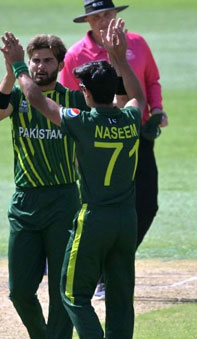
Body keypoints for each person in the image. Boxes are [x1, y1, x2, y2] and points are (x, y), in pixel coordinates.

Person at [0, 17, 145, 339]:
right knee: (119, 299)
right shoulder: (131, 118)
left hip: (93, 217)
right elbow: (136, 96)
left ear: (84, 92)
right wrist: (119, 58)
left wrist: (17, 66)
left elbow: (35, 99)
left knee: (71, 295)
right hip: (127, 220)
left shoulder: (82, 121)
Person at [0, 34, 89, 339]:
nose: (40, 66)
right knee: (19, 292)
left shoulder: (73, 100)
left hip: (63, 202)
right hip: (25, 202)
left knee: (62, 291)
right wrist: (9, 73)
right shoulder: (16, 95)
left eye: (47, 61)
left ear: (60, 65)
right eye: (35, 61)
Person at [60, 0, 165, 299]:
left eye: (108, 14)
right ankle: (100, 270)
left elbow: (151, 81)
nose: (104, 20)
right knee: (98, 206)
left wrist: (157, 110)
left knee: (147, 203)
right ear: (88, 22)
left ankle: (113, 262)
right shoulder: (75, 55)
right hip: (95, 139)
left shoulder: (138, 44)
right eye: (98, 17)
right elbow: (71, 99)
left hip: (135, 132)